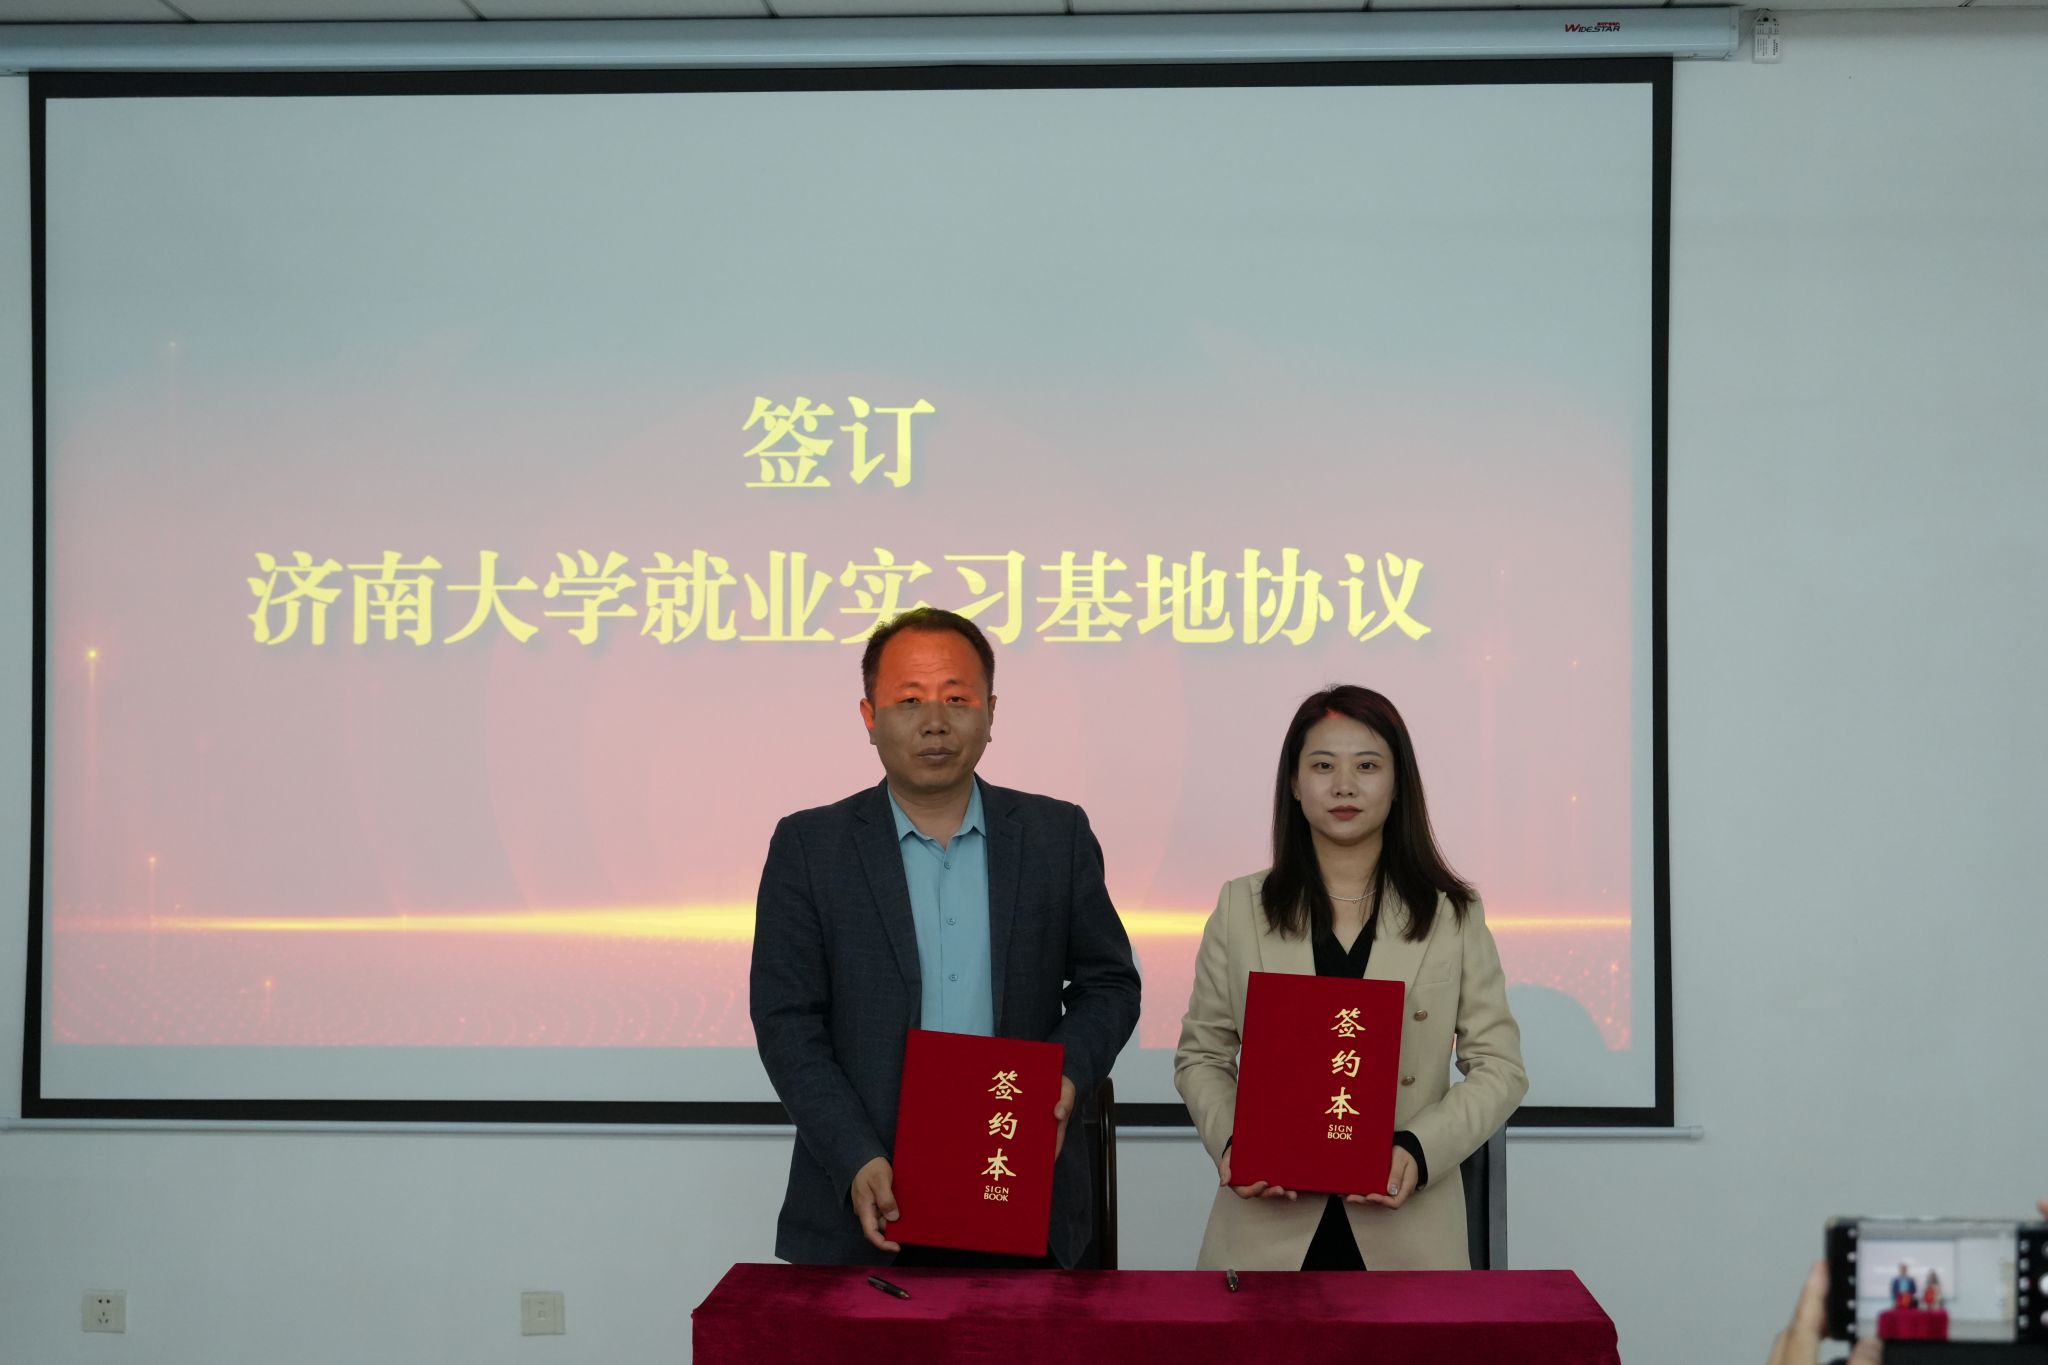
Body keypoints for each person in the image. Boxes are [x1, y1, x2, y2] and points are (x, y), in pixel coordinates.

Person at [749, 607, 1142, 1268]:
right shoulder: (811, 847)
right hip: (866, 1200)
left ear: (990, 712)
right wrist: (854, 1154)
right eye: (909, 700)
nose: (935, 720)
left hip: (1021, 1184)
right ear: (869, 716)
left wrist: (1065, 1076)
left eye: (957, 699)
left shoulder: (1056, 835)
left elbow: (1110, 983)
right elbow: (787, 1019)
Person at [1174, 684, 1528, 1271]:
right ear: (1294, 783)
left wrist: (1420, 1149)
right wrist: (1237, 1143)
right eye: (1322, 766)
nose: (1344, 786)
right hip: (1266, 1230)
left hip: (1407, 1232)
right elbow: (1202, 1057)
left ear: (1398, 782)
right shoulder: (1241, 908)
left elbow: (1500, 1068)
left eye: (1367, 766)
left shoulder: (1452, 914)